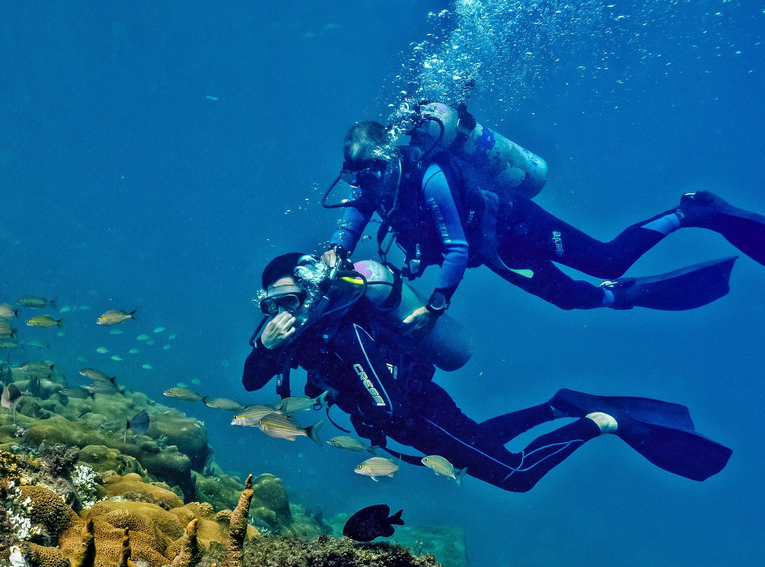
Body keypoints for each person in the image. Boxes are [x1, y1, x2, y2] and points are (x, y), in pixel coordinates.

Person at [243, 253, 731, 492]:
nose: (283, 313)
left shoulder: (342, 333)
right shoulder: (289, 335)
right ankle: (556, 404)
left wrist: (371, 424)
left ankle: (603, 422)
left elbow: (387, 406)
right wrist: (266, 347)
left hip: (417, 414)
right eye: (273, 305)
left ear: (310, 295)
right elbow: (250, 381)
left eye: (290, 301)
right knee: (480, 442)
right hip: (421, 414)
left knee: (515, 475)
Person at [319, 113, 765, 330]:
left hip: (517, 224)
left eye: (371, 173)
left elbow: (454, 247)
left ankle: (692, 212)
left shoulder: (429, 176)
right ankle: (624, 298)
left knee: (608, 259)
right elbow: (353, 218)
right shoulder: (373, 185)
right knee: (566, 298)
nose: (365, 185)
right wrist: (337, 250)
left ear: (387, 159)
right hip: (494, 249)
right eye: (357, 177)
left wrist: (435, 306)